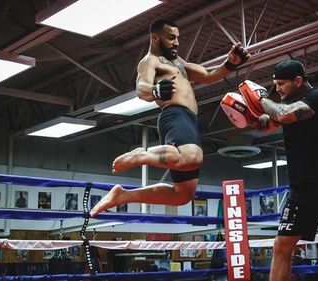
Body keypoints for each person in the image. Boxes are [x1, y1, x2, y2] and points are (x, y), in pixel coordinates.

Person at [90, 19, 249, 217]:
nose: (176, 43)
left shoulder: (178, 62)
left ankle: (123, 196)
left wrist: (230, 63)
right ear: (155, 38)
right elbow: (141, 88)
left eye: (177, 38)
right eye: (171, 38)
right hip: (174, 114)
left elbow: (208, 75)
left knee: (181, 195)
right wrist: (155, 90)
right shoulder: (150, 61)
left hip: (189, 120)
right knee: (193, 157)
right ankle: (141, 155)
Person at [239, 59, 318, 281]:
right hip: (301, 191)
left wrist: (260, 99)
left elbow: (284, 114)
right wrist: (246, 115)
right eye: (275, 84)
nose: (277, 89)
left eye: (281, 84)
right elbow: (267, 123)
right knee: (281, 245)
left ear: (298, 81)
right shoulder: (285, 107)